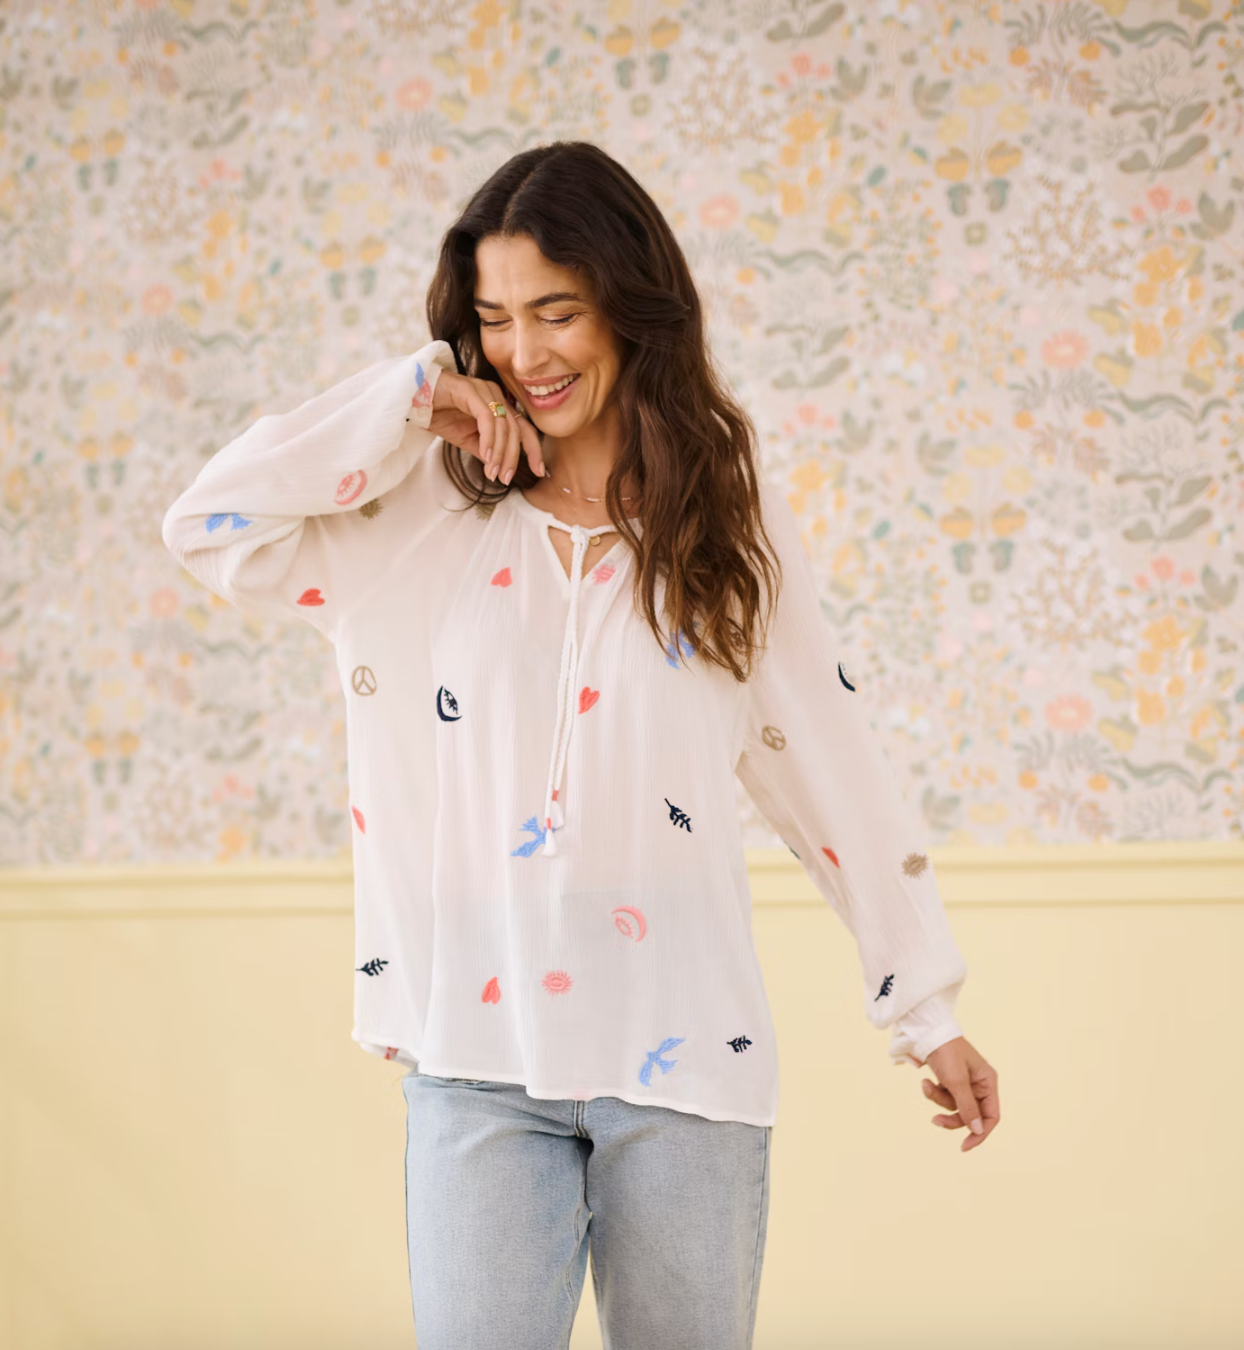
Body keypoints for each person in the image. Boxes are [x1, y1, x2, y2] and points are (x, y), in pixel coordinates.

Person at [162, 140, 999, 1350]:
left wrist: (924, 1009)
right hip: (476, 1049)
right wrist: (410, 399)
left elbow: (826, 760)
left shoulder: (720, 519)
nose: (524, 353)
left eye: (556, 312)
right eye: (493, 320)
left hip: (685, 1051)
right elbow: (208, 521)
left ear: (629, 306)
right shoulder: (418, 505)